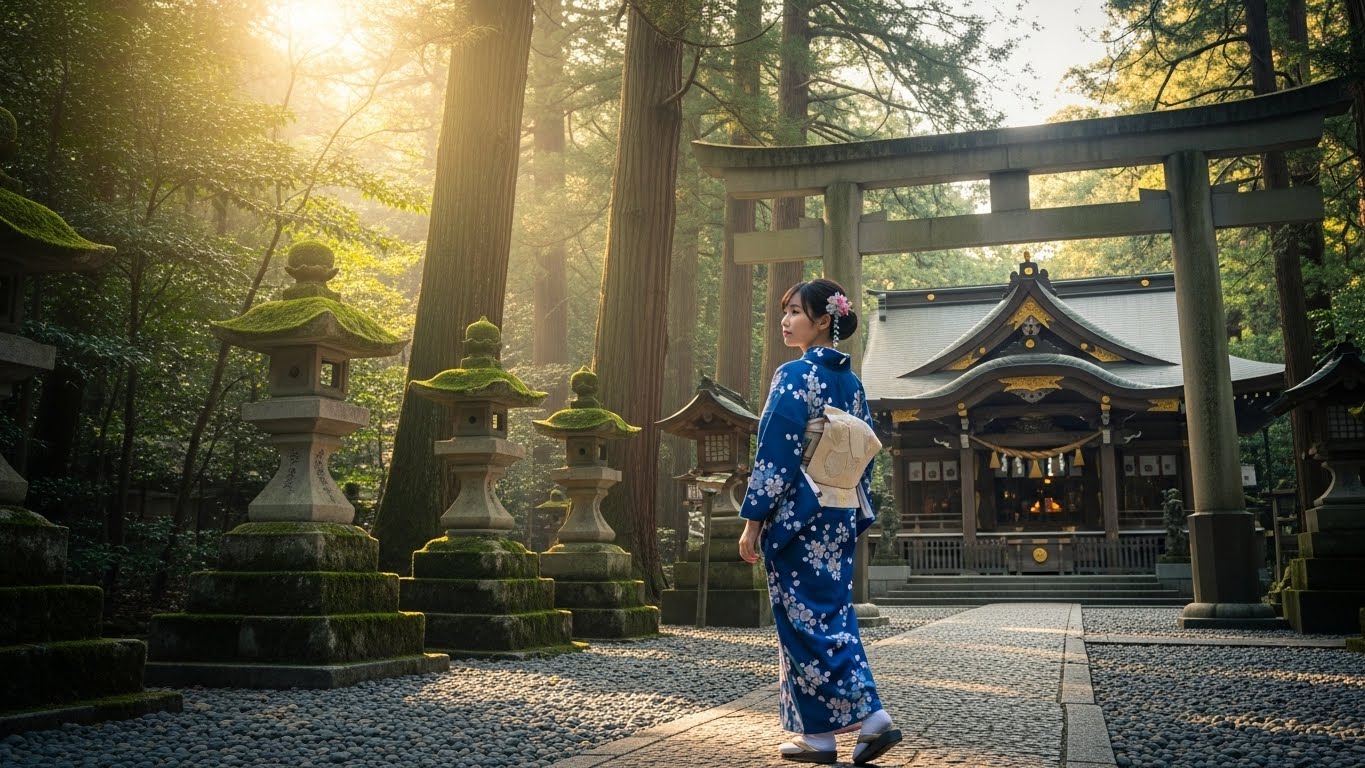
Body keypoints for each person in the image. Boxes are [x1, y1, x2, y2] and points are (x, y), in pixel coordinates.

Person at [738, 278, 902, 766]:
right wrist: (851, 510)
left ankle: (872, 717)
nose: (785, 320)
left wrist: (754, 520)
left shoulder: (794, 374)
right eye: (784, 311)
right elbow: (865, 454)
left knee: (805, 623)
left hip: (798, 515)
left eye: (794, 311)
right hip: (837, 513)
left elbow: (775, 450)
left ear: (824, 319)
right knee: (830, 617)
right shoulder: (853, 385)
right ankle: (820, 736)